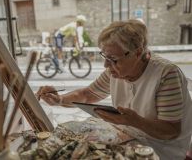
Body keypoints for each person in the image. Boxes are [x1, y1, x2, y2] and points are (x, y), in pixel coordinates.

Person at [36, 19, 192, 160]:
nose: (106, 66)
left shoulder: (166, 74)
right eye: (105, 57)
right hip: (127, 134)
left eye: (113, 59)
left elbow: (171, 131)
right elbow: (88, 94)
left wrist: (133, 120)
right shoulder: (115, 71)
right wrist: (60, 100)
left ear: (137, 53)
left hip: (160, 148)